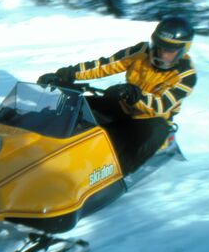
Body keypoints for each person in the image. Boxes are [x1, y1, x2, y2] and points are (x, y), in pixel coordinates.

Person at [37, 16, 197, 174]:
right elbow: (105, 65)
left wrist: (135, 95)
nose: (161, 54)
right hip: (123, 106)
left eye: (169, 51)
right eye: (159, 47)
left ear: (183, 51)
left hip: (148, 121)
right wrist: (67, 74)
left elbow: (161, 106)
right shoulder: (141, 51)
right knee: (76, 107)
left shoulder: (186, 75)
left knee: (158, 129)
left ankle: (118, 173)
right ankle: (41, 142)